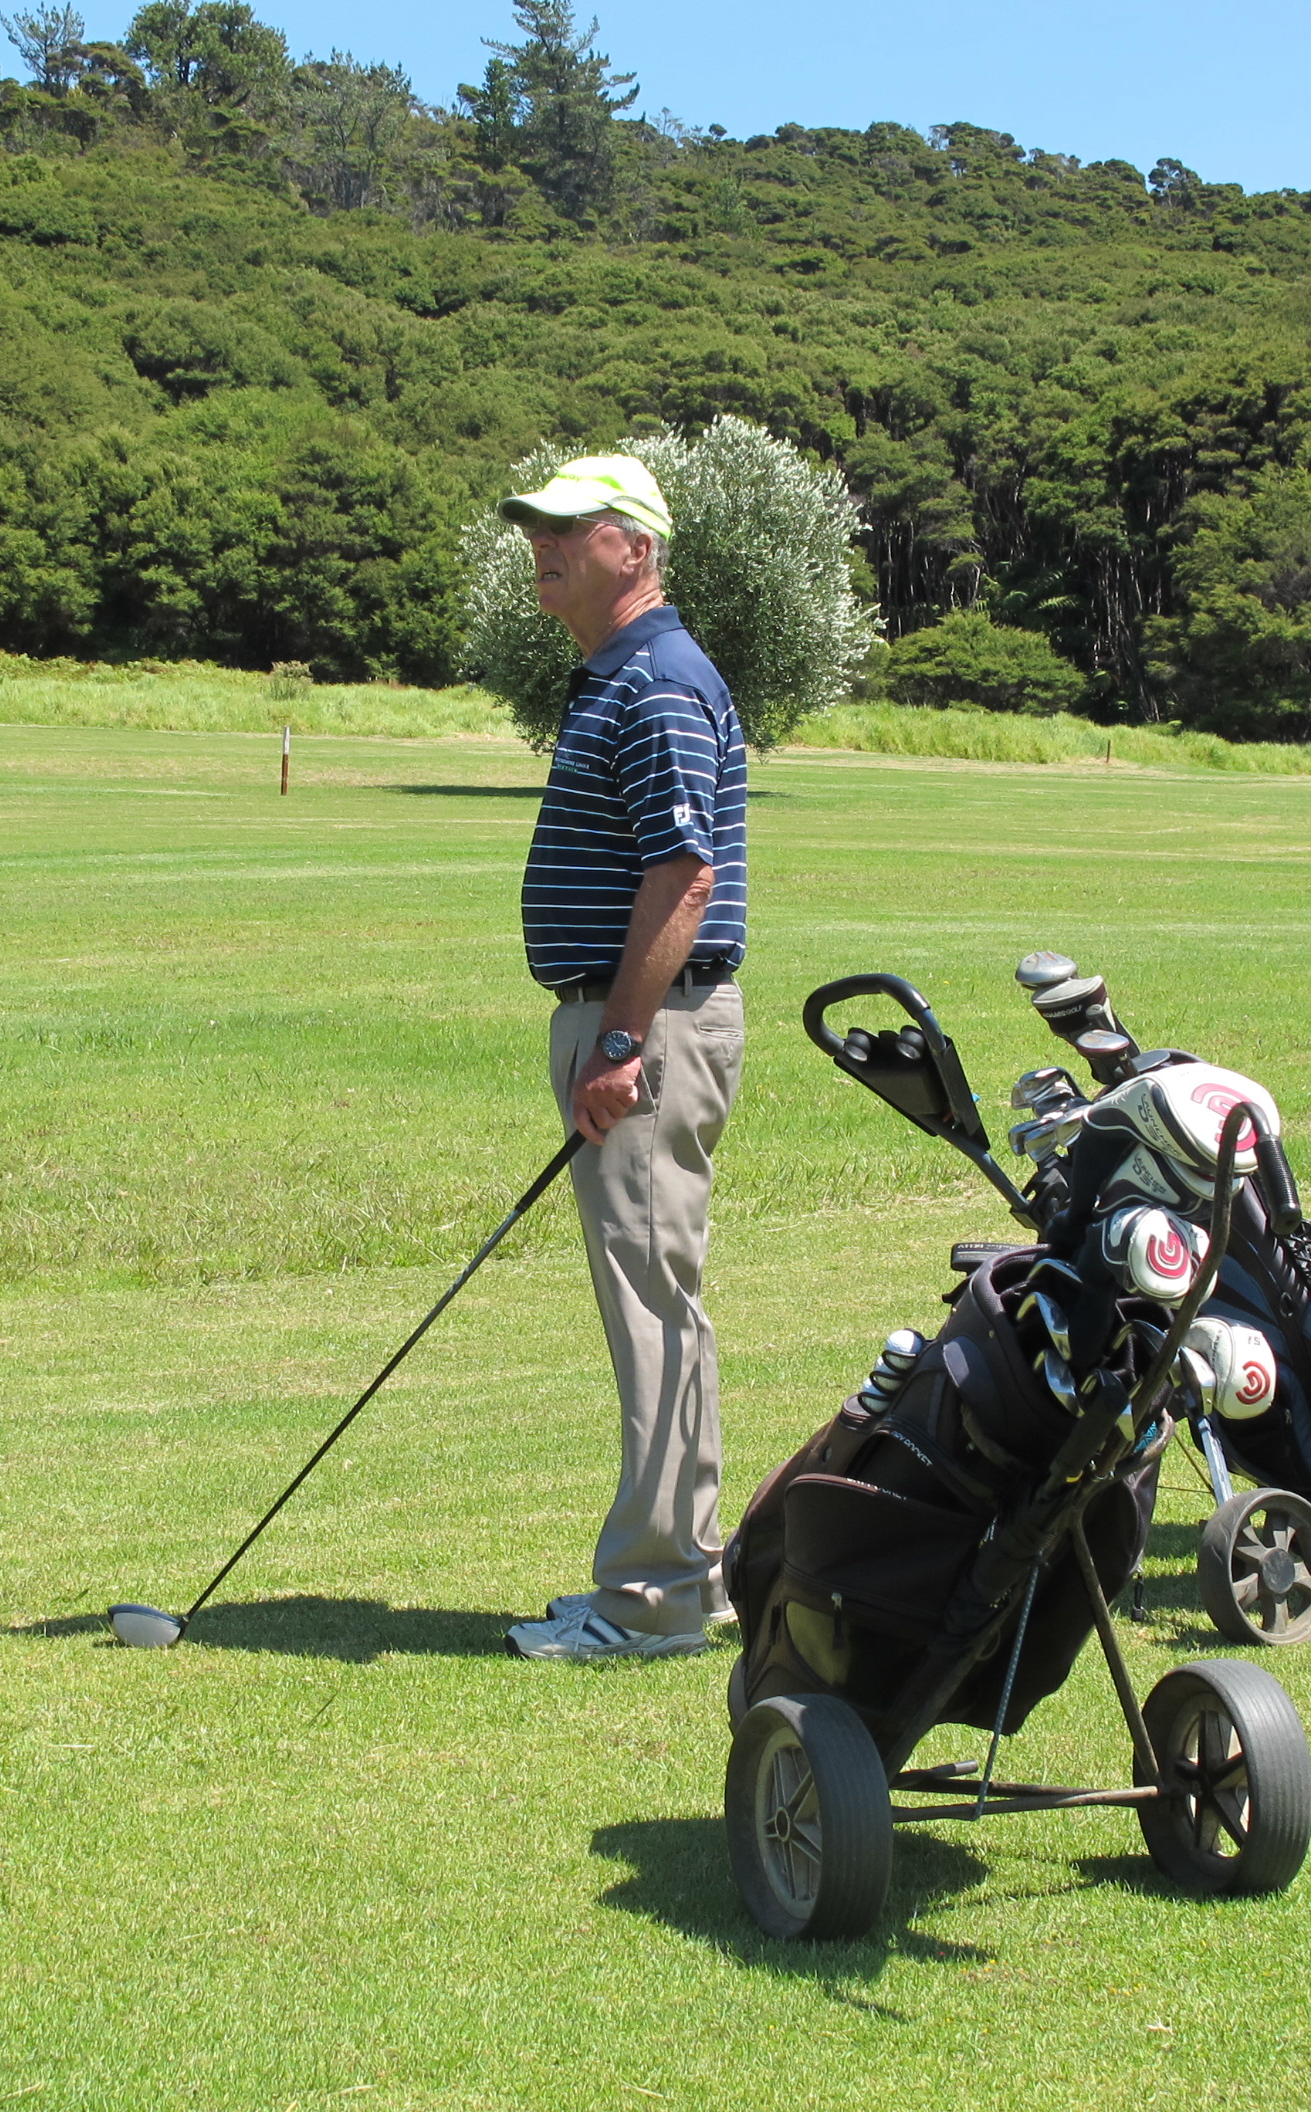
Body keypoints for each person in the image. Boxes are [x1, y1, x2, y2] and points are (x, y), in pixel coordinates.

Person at [493, 457, 747, 1662]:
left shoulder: (655, 680)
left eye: (568, 527)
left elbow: (683, 877)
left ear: (633, 549)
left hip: (647, 1029)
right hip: (633, 1023)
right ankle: (682, 1578)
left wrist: (619, 1041)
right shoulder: (617, 675)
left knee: (653, 1308)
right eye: (534, 527)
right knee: (652, 1301)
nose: (540, 544)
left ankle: (654, 1600)